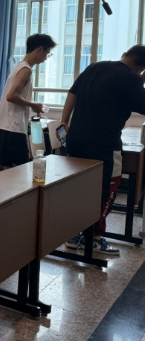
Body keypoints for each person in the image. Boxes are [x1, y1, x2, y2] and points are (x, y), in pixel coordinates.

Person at [55, 45, 145, 258]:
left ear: (124, 54)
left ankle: (74, 234)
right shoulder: (131, 79)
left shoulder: (95, 67)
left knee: (79, 188)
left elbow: (73, 92)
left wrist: (64, 120)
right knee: (106, 189)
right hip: (104, 144)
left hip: (76, 139)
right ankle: (94, 238)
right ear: (141, 67)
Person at [0, 34, 56, 170]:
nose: (46, 57)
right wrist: (33, 105)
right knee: (19, 169)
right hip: (13, 127)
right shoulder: (25, 70)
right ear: (39, 49)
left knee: (8, 169)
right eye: (47, 53)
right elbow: (11, 96)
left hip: (7, 126)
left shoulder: (19, 67)